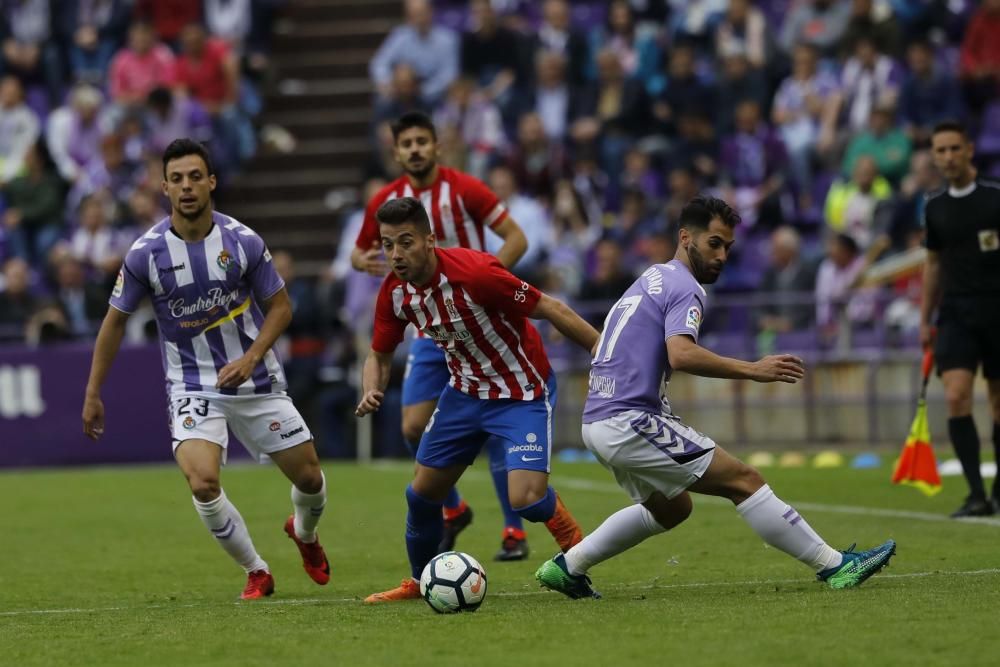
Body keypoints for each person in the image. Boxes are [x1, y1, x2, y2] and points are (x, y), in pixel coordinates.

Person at [534, 196, 896, 599]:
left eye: (728, 247)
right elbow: (681, 353)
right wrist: (753, 369)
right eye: (714, 243)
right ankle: (834, 566)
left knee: (673, 509)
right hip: (628, 419)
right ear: (685, 237)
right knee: (745, 481)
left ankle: (569, 567)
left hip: (598, 420)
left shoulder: (651, 277)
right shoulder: (685, 287)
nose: (722, 255)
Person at [81, 139, 331, 599]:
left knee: (311, 480)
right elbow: (114, 323)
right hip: (192, 385)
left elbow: (280, 308)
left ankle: (305, 534)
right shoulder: (145, 254)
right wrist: (94, 392)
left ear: (211, 182)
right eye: (176, 179)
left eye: (195, 176)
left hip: (256, 380)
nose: (187, 187)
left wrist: (252, 356)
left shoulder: (243, 241)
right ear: (164, 188)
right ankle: (256, 570)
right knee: (202, 480)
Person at [355, 196, 599, 603]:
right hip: (464, 393)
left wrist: (603, 351)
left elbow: (551, 307)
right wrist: (371, 387)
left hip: (520, 392)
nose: (396, 254)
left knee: (527, 498)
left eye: (406, 242)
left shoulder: (477, 273)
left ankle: (577, 555)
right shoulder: (395, 293)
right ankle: (419, 582)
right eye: (388, 244)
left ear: (430, 241)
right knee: (421, 495)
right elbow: (378, 354)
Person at [351, 111, 533, 561]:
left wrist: (489, 284)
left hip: (481, 324)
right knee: (413, 425)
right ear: (396, 152)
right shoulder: (388, 202)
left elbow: (516, 238)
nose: (414, 149)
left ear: (437, 146)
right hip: (431, 328)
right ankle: (453, 508)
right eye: (406, 143)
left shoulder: (465, 189)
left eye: (421, 141)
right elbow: (358, 253)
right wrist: (365, 263)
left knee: (493, 427)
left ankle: (513, 530)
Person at [921, 121, 1000, 517]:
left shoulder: (995, 197)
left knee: (999, 406)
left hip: (997, 310)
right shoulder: (934, 206)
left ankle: (998, 489)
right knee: (955, 397)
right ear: (934, 156)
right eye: (941, 150)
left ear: (969, 149)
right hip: (955, 313)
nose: (948, 157)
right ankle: (976, 495)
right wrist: (924, 317)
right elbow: (932, 263)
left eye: (955, 148)